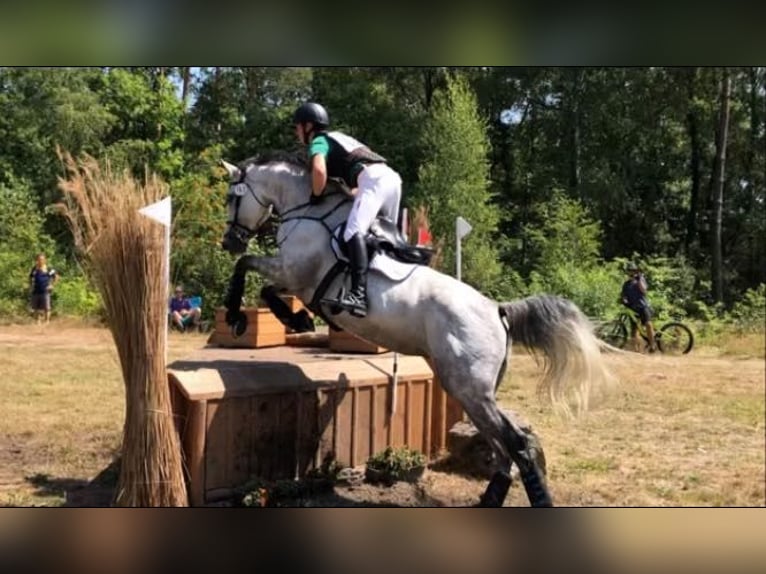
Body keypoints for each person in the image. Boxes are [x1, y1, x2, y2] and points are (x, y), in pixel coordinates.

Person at [293, 101, 402, 318]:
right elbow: (354, 186)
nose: (296, 132)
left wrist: (316, 194)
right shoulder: (340, 138)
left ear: (308, 126)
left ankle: (358, 296)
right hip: (392, 180)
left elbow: (319, 171)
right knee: (386, 241)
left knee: (353, 232)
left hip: (373, 180)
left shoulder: (319, 141)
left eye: (297, 127)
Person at [620, 262, 656, 352]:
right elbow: (624, 296)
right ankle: (636, 350)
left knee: (648, 324)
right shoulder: (626, 284)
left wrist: (639, 278)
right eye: (629, 271)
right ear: (627, 272)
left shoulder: (640, 280)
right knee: (634, 330)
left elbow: (644, 290)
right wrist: (624, 301)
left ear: (636, 271)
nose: (631, 272)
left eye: (633, 270)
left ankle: (652, 345)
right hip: (632, 308)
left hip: (643, 306)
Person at [29, 253, 58, 324]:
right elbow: (30, 277)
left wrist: (52, 285)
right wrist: (30, 286)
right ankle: (37, 321)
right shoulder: (34, 268)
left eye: (42, 259)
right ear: (37, 260)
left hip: (45, 291)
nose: (40, 261)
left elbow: (56, 277)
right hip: (36, 290)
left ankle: (47, 321)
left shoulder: (48, 269)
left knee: (47, 308)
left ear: (45, 260)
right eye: (39, 259)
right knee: (35, 307)